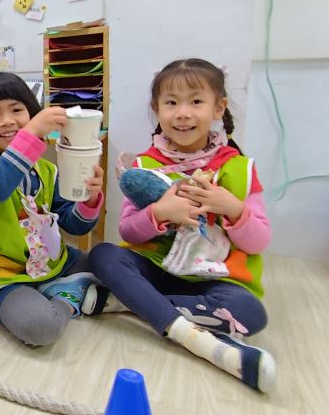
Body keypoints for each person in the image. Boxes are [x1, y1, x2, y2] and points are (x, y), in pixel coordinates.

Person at [86, 59, 275, 392]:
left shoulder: (240, 168)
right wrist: (159, 213)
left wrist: (232, 209)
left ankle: (129, 302)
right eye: (171, 103)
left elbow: (259, 242)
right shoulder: (144, 165)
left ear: (219, 108)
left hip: (214, 279)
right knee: (102, 255)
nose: (183, 113)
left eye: (196, 101)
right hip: (156, 270)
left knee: (251, 313)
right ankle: (190, 335)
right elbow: (127, 231)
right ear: (156, 109)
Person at [0, 72, 104, 346]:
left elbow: (74, 225)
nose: (7, 120)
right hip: (4, 276)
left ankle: (62, 286)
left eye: (16, 110)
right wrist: (30, 133)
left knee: (110, 262)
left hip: (55, 263)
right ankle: (67, 298)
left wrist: (89, 200)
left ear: (31, 112)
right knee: (41, 327)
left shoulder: (47, 170)